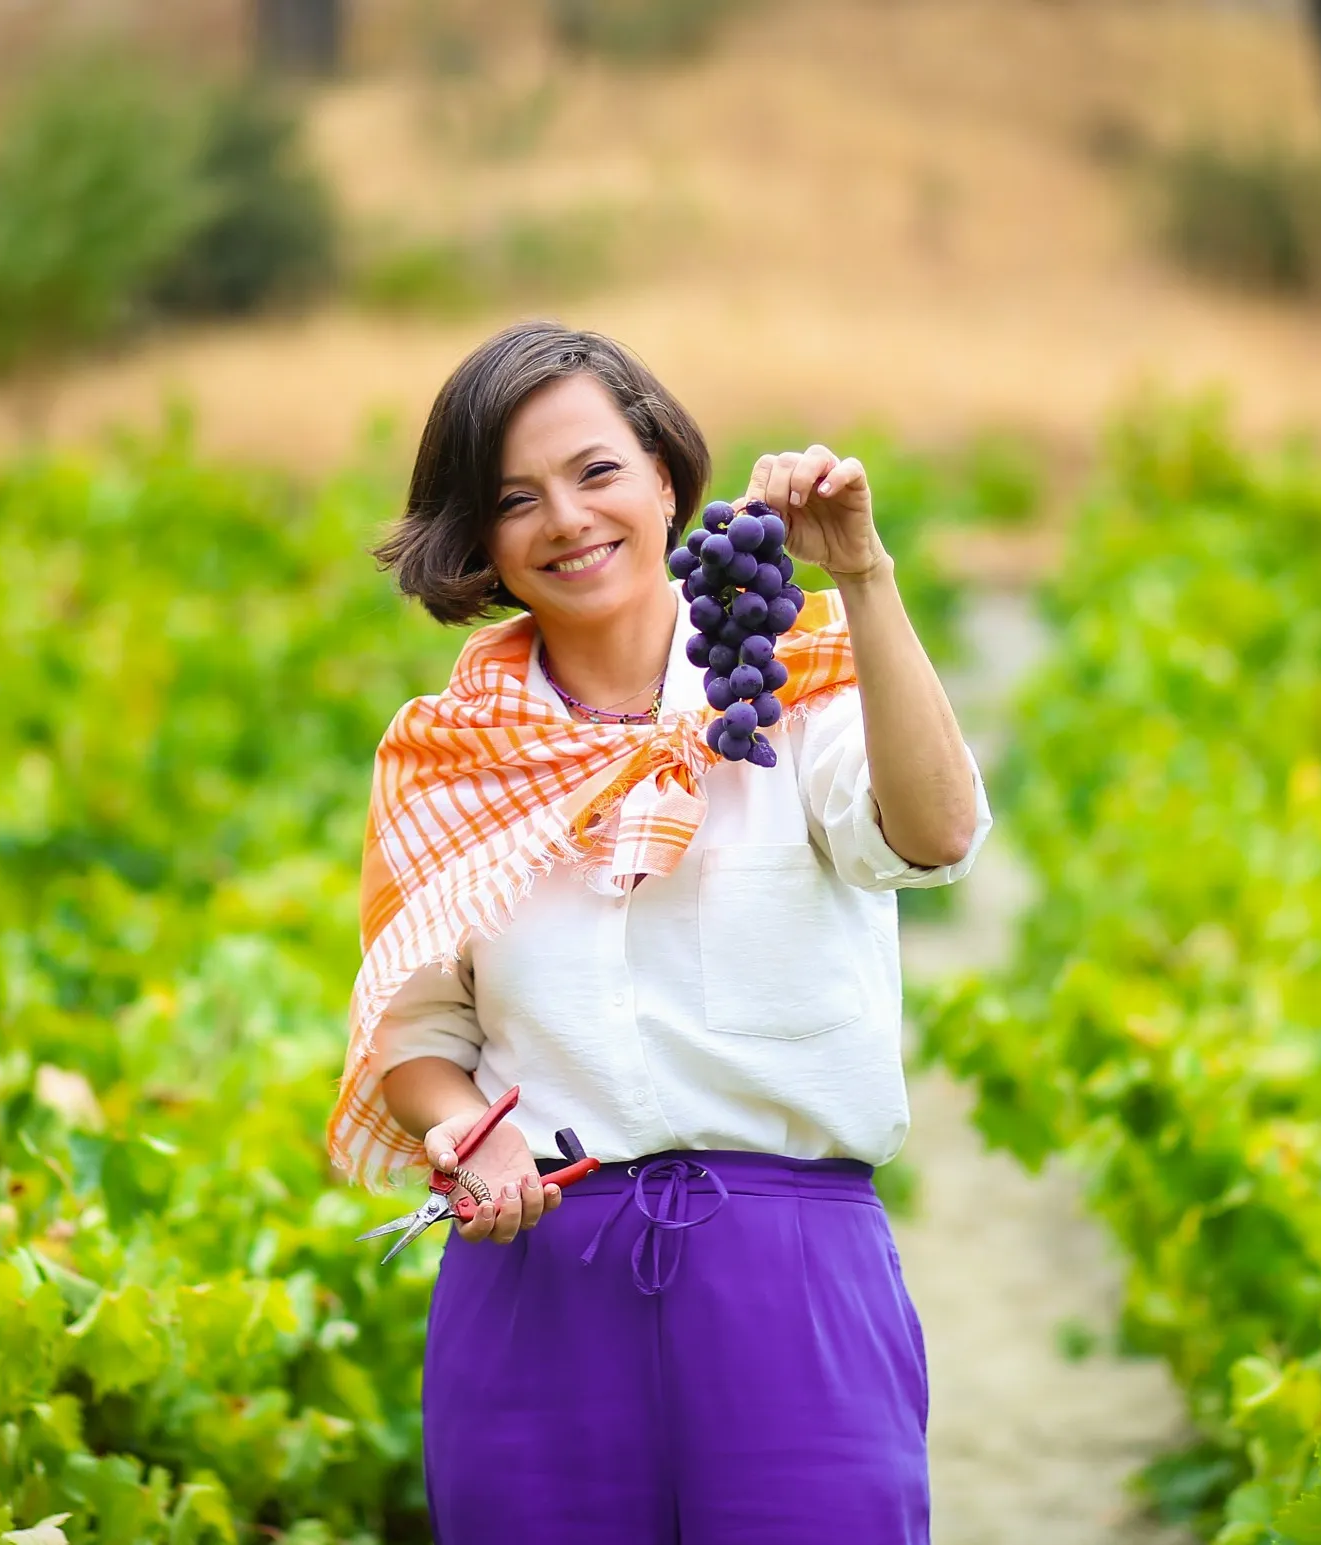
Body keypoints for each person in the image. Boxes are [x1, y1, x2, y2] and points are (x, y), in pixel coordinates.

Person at [328, 320, 992, 1545]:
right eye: (514, 499)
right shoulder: (446, 759)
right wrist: (461, 1137)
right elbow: (414, 1037)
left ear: (665, 477)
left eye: (594, 472)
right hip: (536, 1292)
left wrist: (865, 577)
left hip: (790, 1280)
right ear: (476, 539)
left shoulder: (794, 684)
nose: (567, 521)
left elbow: (936, 833)